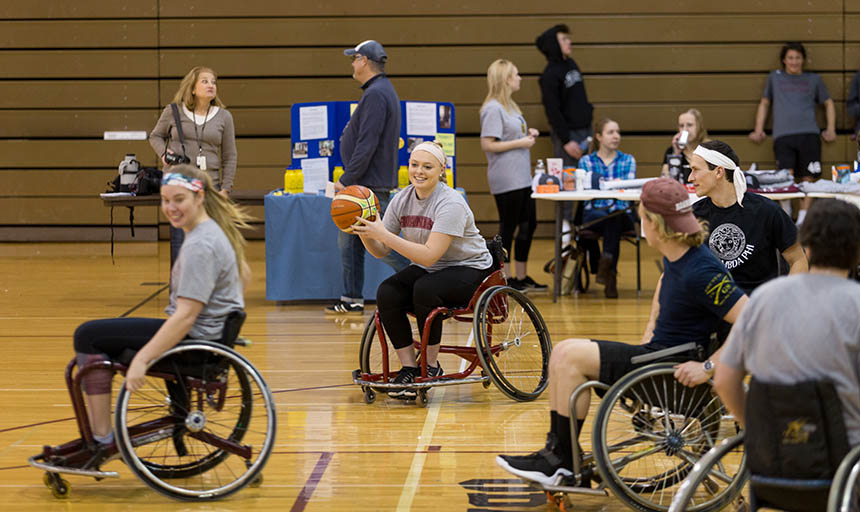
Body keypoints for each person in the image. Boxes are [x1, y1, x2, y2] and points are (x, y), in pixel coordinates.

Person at [496, 178, 747, 486]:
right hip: (656, 360)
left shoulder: (701, 270)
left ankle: (561, 461)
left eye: (641, 217)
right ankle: (558, 455)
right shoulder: (679, 256)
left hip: (672, 375)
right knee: (565, 358)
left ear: (654, 224)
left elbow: (753, 320)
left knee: (568, 355)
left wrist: (709, 367)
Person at [71, 164, 252, 462]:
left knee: (88, 336)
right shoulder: (210, 231)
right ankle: (101, 433)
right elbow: (241, 280)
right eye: (165, 200)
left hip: (193, 342)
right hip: (205, 335)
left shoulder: (201, 244)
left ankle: (103, 439)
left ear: (199, 198)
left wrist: (142, 359)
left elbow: (185, 317)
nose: (170, 208)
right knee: (97, 333)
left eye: (178, 200)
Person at [352, 141, 494, 398]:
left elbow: (429, 257)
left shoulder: (451, 203)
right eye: (414, 165)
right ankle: (408, 368)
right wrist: (364, 232)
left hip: (471, 269)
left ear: (442, 169)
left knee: (425, 289)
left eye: (427, 166)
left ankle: (430, 366)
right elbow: (382, 250)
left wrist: (382, 233)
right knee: (387, 291)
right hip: (434, 268)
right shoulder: (402, 199)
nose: (419, 171)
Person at [715, 198, 860, 445]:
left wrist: (756, 429)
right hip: (841, 448)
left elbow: (723, 380)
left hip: (775, 452)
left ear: (808, 247)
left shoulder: (763, 298)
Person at [327, 39, 409, 315]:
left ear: (363, 61)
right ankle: (351, 298)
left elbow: (367, 143)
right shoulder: (380, 91)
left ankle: (424, 277)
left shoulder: (376, 94)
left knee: (385, 242)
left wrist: (346, 178)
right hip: (367, 183)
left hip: (367, 186)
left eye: (353, 59)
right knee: (350, 240)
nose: (351, 63)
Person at [689, 140, 807, 294]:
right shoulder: (693, 215)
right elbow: (678, 268)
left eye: (695, 170)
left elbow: (798, 259)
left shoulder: (766, 211)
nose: (690, 177)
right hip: (712, 308)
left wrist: (784, 299)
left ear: (719, 172)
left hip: (758, 307)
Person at [150, 66, 238, 263]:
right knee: (180, 242)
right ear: (192, 88)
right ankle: (179, 293)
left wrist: (226, 188)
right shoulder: (173, 111)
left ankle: (208, 292)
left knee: (209, 241)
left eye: (213, 82)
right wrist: (163, 153)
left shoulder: (224, 117)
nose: (211, 85)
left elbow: (230, 155)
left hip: (210, 186)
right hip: (179, 183)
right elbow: (155, 136)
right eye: (205, 81)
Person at [749, 42, 835, 225]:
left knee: (808, 179)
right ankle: (786, 216)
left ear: (803, 59)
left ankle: (803, 220)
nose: (794, 61)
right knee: (784, 178)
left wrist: (831, 129)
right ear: (784, 60)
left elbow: (828, 103)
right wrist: (758, 129)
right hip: (783, 135)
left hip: (809, 134)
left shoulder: (814, 79)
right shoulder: (775, 78)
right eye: (790, 58)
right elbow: (765, 103)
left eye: (797, 58)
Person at [479, 59, 546, 293]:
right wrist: (521, 141)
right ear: (506, 79)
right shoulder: (492, 108)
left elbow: (512, 137)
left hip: (521, 176)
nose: (520, 78)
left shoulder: (511, 106)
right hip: (506, 178)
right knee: (509, 226)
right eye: (516, 75)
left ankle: (521, 276)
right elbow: (488, 144)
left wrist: (528, 134)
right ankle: (502, 277)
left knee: (529, 224)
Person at [535, 24, 594, 238]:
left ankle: (582, 231)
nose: (569, 42)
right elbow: (553, 113)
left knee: (585, 183)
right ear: (554, 45)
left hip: (584, 133)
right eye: (564, 39)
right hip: (567, 138)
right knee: (567, 187)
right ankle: (566, 238)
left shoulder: (571, 63)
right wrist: (567, 140)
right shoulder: (549, 76)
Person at [576, 118, 637, 298]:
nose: (616, 136)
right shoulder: (586, 161)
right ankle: (609, 274)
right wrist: (614, 185)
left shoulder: (628, 160)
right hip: (594, 212)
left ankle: (605, 267)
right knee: (611, 219)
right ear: (599, 137)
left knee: (614, 217)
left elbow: (627, 189)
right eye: (611, 132)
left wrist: (606, 185)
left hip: (621, 212)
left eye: (618, 132)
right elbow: (586, 190)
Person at [661, 109, 708, 185]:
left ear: (699, 127)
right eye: (681, 126)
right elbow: (666, 179)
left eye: (689, 125)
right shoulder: (672, 151)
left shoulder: (708, 149)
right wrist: (676, 154)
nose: (685, 130)